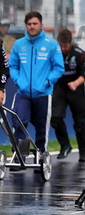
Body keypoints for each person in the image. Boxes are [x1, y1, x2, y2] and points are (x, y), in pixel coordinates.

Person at [8, 11, 64, 158]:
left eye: (35, 24)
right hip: (23, 93)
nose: (32, 27)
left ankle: (40, 157)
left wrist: (48, 81)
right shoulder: (19, 44)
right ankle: (20, 157)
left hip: (43, 94)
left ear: (41, 25)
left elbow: (59, 68)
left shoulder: (52, 44)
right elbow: (12, 65)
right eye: (29, 24)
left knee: (41, 129)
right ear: (25, 25)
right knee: (19, 124)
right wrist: (18, 81)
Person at [51, 29, 85, 163]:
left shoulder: (80, 54)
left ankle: (83, 150)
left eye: (65, 46)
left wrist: (76, 83)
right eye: (60, 45)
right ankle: (65, 145)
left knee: (79, 123)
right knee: (55, 118)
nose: (62, 48)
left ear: (70, 43)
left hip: (76, 89)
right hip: (60, 89)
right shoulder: (54, 53)